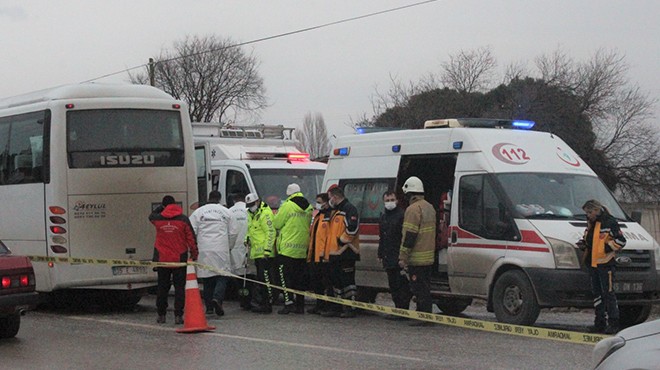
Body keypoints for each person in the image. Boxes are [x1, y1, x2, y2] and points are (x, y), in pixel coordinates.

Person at [579, 199, 626, 334]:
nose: (588, 215)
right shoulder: (591, 224)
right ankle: (599, 322)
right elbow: (590, 239)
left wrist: (606, 247)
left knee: (609, 294)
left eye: (589, 212)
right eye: (586, 213)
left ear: (596, 210)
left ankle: (614, 322)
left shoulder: (609, 222)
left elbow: (621, 241)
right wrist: (584, 244)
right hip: (593, 264)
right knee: (597, 294)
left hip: (606, 264)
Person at [149, 195, 198, 325]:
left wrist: (162, 208)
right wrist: (194, 254)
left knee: (162, 288)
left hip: (162, 259)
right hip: (179, 259)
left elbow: (151, 216)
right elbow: (191, 239)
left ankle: (161, 315)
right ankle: (178, 315)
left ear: (164, 206)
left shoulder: (158, 219)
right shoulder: (183, 219)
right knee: (179, 288)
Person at [398, 176, 436, 325]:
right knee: (426, 288)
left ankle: (422, 317)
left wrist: (403, 256)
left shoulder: (413, 209)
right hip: (428, 257)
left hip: (417, 258)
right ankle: (426, 314)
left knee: (418, 288)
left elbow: (410, 235)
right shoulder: (429, 207)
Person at [189, 190, 234, 317]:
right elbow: (233, 232)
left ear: (209, 198)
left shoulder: (199, 212)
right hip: (221, 248)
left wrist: (195, 246)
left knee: (207, 278)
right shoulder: (226, 211)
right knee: (222, 275)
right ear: (220, 199)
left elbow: (192, 230)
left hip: (204, 249)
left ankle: (209, 307)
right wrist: (229, 246)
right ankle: (217, 298)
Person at [273, 183, 313, 314]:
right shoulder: (309, 207)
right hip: (302, 248)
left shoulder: (288, 205)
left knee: (285, 278)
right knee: (300, 279)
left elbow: (277, 223)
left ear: (288, 194)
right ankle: (300, 306)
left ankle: (288, 303)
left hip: (287, 249)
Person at [324, 185, 360, 318]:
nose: (329, 201)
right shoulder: (335, 210)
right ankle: (337, 306)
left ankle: (350, 307)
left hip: (347, 252)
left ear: (335, 196)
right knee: (336, 281)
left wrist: (341, 241)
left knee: (348, 282)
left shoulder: (349, 209)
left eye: (330, 198)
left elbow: (352, 229)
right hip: (335, 253)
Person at [378, 191, 411, 314]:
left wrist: (403, 256)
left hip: (398, 256)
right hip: (388, 256)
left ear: (397, 201)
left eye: (392, 200)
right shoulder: (383, 217)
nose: (389, 203)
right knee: (392, 285)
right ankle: (398, 308)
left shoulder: (401, 215)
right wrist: (380, 253)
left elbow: (404, 237)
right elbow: (382, 237)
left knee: (401, 284)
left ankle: (403, 309)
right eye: (387, 200)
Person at [245, 193, 276, 313]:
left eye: (252, 204)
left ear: (257, 202)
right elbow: (250, 230)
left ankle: (267, 305)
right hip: (256, 253)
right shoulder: (251, 214)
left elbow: (270, 233)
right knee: (260, 281)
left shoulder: (265, 213)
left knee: (266, 280)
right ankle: (263, 303)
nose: (251, 207)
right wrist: (246, 239)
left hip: (265, 254)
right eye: (249, 205)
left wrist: (267, 251)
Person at [306, 193, 334, 314]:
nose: (317, 204)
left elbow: (329, 237)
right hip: (314, 254)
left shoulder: (329, 216)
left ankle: (329, 306)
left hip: (324, 256)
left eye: (319, 201)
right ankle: (319, 304)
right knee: (316, 282)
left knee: (327, 283)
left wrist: (326, 253)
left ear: (326, 202)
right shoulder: (318, 215)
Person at [228, 193, 250, 309]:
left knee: (238, 276)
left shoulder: (229, 212)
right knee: (249, 275)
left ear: (234, 200)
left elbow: (230, 232)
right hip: (248, 246)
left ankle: (242, 299)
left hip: (234, 247)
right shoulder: (248, 211)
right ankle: (248, 299)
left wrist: (229, 246)